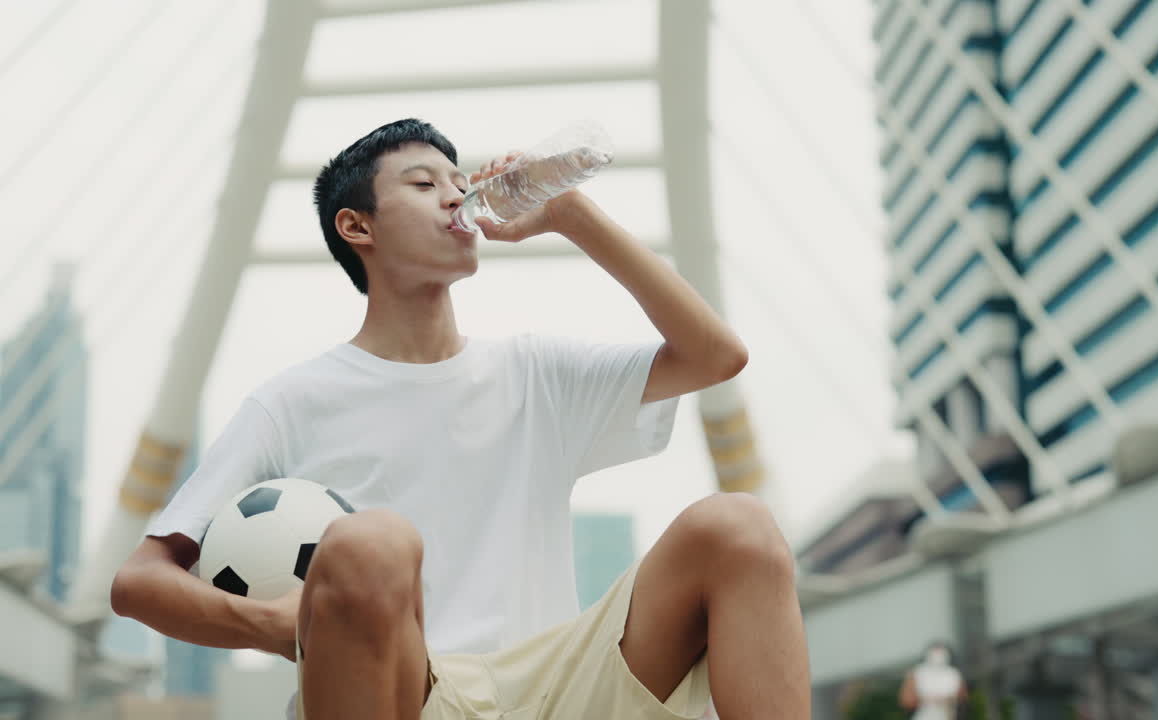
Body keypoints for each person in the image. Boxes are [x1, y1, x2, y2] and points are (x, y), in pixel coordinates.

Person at [109, 119, 811, 720]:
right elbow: (140, 581)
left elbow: (716, 355)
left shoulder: (536, 372)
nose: (455, 194)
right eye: (422, 184)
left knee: (738, 527)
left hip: (559, 687)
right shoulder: (293, 401)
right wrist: (282, 625)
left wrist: (571, 214)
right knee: (371, 544)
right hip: (413, 688)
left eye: (456, 178)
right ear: (357, 226)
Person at [898, 642, 967, 720]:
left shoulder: (954, 674)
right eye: (935, 653)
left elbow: (962, 697)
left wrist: (949, 700)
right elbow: (906, 701)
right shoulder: (917, 673)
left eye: (941, 654)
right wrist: (926, 700)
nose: (938, 657)